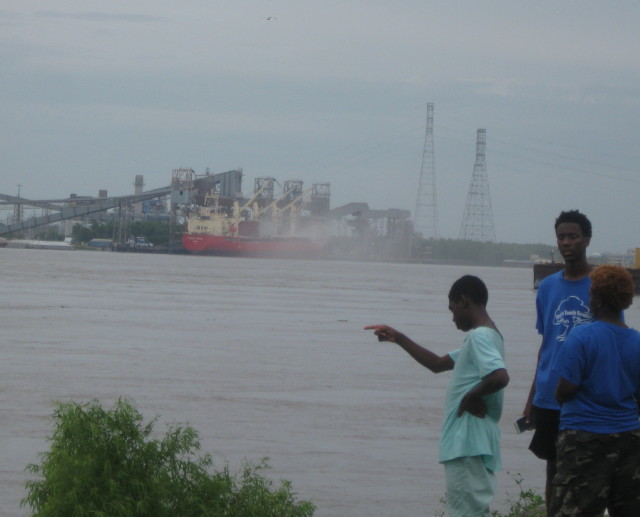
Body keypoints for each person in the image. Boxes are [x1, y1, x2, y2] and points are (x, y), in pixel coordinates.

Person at [365, 275, 509, 517]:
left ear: (463, 301)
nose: (452, 318)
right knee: (473, 510)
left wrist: (471, 396)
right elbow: (437, 363)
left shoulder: (479, 337)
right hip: (475, 441)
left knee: (464, 512)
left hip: (466, 441)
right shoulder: (490, 336)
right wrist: (398, 338)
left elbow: (499, 376)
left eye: (452, 310)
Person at [550, 265, 640, 516]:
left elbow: (566, 388)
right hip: (629, 439)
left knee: (574, 508)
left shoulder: (581, 336)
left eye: (591, 294)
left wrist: (559, 398)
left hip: (584, 437)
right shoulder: (637, 341)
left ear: (598, 299)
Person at [523, 209, 593, 512]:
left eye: (573, 236)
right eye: (561, 237)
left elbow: (615, 338)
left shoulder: (600, 284)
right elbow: (546, 344)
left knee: (586, 469)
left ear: (586, 240)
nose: (566, 243)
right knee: (552, 467)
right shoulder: (548, 287)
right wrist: (531, 400)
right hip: (550, 394)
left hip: (586, 394)